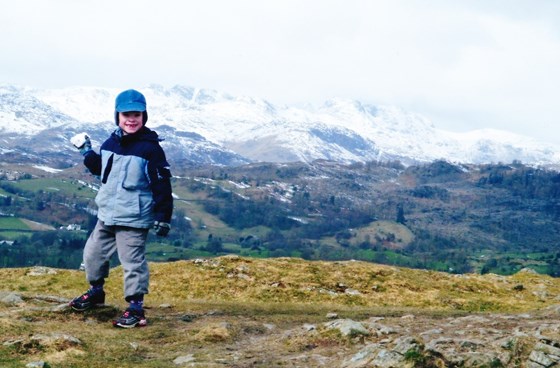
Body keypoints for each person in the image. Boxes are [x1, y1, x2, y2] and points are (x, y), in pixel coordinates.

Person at [69, 89, 173, 328]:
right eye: (126, 114)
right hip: (107, 214)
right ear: (117, 115)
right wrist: (86, 151)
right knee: (93, 255)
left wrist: (163, 216)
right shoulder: (110, 142)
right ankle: (96, 292)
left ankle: (136, 309)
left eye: (136, 114)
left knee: (132, 263)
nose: (131, 119)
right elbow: (101, 170)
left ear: (144, 116)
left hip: (134, 218)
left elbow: (161, 184)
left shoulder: (151, 149)